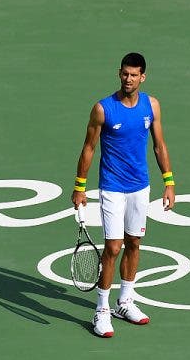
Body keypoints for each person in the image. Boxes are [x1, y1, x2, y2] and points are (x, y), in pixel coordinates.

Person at [71, 52, 175, 338]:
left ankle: (125, 302)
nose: (128, 79)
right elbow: (89, 148)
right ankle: (101, 311)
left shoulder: (151, 106)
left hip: (140, 186)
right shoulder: (103, 109)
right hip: (113, 186)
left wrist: (169, 182)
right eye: (124, 74)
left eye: (134, 75)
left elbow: (159, 145)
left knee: (134, 243)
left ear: (142, 77)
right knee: (113, 247)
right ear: (119, 74)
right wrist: (80, 187)